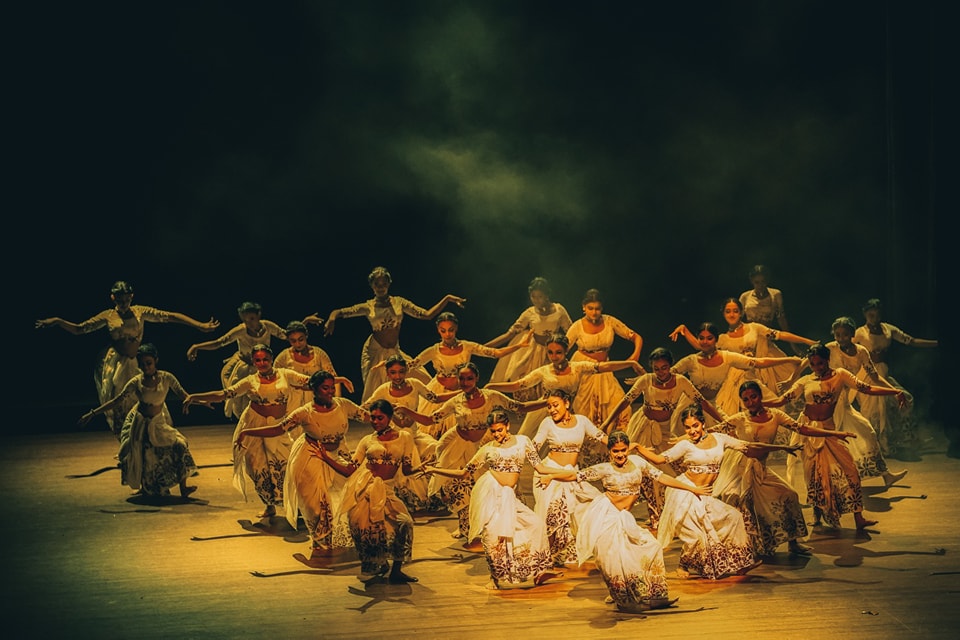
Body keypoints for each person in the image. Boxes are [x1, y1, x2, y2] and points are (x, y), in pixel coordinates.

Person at [545, 431, 709, 612]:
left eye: (623, 450)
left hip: (625, 517)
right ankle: (621, 595)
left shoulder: (638, 463)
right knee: (614, 556)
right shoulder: (605, 468)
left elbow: (661, 477)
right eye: (615, 451)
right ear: (610, 451)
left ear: (628, 449)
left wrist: (691, 488)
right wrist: (551, 476)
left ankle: (654, 593)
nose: (620, 454)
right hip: (607, 515)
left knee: (652, 546)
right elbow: (574, 476)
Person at [632, 405, 798, 579]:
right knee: (697, 534)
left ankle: (742, 563)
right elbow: (659, 459)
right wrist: (637, 447)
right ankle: (683, 566)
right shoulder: (685, 445)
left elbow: (750, 446)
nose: (692, 431)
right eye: (687, 428)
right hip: (686, 492)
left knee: (734, 517)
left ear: (702, 423)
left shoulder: (720, 439)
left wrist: (781, 447)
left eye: (695, 425)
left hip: (704, 494)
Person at [36, 280, 220, 435]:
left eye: (126, 299)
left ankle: (153, 436)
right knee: (120, 404)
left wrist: (199, 325)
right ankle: (128, 442)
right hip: (118, 364)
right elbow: (79, 329)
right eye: (119, 300)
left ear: (131, 297)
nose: (123, 303)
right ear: (113, 298)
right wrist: (58, 321)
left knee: (147, 399)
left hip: (137, 362)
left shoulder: (140, 312)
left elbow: (169, 316)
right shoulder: (108, 316)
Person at [395, 362, 547, 540]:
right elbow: (430, 420)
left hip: (484, 444)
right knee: (460, 488)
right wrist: (407, 411)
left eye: (469, 378)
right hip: (460, 446)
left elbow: (519, 407)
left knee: (495, 485)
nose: (465, 382)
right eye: (462, 378)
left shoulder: (491, 396)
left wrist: (546, 402)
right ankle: (465, 527)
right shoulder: (456, 401)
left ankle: (500, 523)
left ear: (476, 379)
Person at [765, 343, 909, 530]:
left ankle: (859, 517)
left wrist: (895, 391)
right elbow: (780, 401)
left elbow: (867, 388)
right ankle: (817, 514)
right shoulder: (805, 381)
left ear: (827, 360)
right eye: (813, 364)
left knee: (851, 471)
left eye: (820, 363)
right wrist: (759, 403)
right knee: (813, 475)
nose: (817, 368)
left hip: (829, 430)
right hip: (808, 431)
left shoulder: (840, 375)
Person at [709, 381, 857, 557]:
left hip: (760, 468)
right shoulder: (739, 419)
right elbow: (711, 432)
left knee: (789, 495)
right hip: (739, 468)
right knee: (739, 502)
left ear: (760, 396)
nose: (750, 402)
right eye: (746, 399)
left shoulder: (776, 415)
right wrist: (688, 438)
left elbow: (802, 428)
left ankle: (793, 543)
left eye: (753, 397)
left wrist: (834, 433)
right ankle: (741, 549)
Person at [419, 411, 562, 590]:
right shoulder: (487, 450)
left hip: (509, 496)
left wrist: (564, 473)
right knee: (493, 536)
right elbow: (464, 473)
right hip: (491, 494)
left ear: (507, 426)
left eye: (500, 430)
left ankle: (540, 570)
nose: (497, 434)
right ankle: (494, 578)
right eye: (493, 431)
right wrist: (434, 470)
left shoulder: (523, 442)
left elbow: (540, 467)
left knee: (535, 524)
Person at [234, 370, 360, 558]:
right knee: (316, 504)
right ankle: (320, 542)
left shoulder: (343, 405)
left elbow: (368, 415)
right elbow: (278, 429)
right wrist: (247, 432)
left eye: (331, 388)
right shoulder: (304, 413)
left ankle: (351, 535)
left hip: (336, 453)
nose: (330, 392)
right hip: (310, 455)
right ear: (314, 390)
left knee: (354, 492)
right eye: (325, 388)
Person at [597, 347, 725, 529]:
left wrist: (723, 421)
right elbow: (625, 401)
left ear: (670, 366)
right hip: (644, 427)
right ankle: (654, 516)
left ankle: (681, 511)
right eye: (656, 368)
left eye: (664, 368)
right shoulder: (646, 380)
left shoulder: (681, 381)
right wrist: (606, 423)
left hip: (665, 430)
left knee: (673, 470)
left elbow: (702, 402)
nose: (661, 372)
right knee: (645, 472)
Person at [183, 344, 312, 519]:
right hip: (254, 424)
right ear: (253, 361)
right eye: (258, 360)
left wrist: (339, 380)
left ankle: (295, 506)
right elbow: (224, 394)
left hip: (278, 426)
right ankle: (269, 505)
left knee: (286, 465)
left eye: (265, 359)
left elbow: (312, 382)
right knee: (257, 466)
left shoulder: (285, 374)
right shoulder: (250, 381)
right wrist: (195, 396)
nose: (262, 363)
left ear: (271, 359)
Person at [779, 317, 908, 487]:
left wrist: (894, 391)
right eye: (838, 335)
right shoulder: (830, 348)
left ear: (852, 334)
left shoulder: (861, 352)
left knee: (867, 432)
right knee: (830, 442)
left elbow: (874, 377)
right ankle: (831, 480)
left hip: (844, 399)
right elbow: (807, 361)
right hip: (829, 401)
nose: (841, 338)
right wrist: (791, 379)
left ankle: (885, 475)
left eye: (845, 334)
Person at [312, 266, 466, 402]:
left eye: (384, 284)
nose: (381, 287)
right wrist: (332, 319)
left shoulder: (399, 303)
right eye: (377, 284)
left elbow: (426, 315)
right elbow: (340, 311)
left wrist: (447, 299)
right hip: (375, 350)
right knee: (377, 392)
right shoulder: (368, 306)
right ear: (372, 286)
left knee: (422, 379)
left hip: (394, 350)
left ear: (389, 284)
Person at [316, 400, 420, 584]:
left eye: (380, 418)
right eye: (373, 418)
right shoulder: (367, 441)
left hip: (387, 489)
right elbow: (349, 470)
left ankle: (396, 570)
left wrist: (423, 469)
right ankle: (379, 564)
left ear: (389, 417)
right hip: (366, 489)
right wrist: (326, 458)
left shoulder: (405, 437)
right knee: (367, 529)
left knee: (405, 523)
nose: (375, 421)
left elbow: (406, 469)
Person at [79, 343, 198, 498]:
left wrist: (203, 401)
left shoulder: (166, 378)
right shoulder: (136, 381)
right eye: (142, 364)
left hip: (158, 423)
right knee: (144, 456)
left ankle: (184, 487)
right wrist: (92, 413)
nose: (146, 367)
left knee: (180, 445)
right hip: (141, 424)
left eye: (149, 363)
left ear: (156, 361)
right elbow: (116, 401)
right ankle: (146, 486)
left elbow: (185, 395)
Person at [484, 332, 642, 440]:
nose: (554, 356)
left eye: (558, 352)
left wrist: (630, 363)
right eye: (550, 352)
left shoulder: (577, 367)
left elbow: (604, 367)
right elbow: (518, 385)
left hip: (567, 412)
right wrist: (493, 386)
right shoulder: (544, 371)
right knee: (527, 442)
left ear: (566, 351)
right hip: (543, 411)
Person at [403, 311, 532, 438]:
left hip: (462, 390)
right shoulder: (433, 350)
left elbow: (495, 353)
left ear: (456, 328)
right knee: (433, 431)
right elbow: (411, 365)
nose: (447, 334)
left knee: (463, 430)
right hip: (439, 390)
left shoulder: (466, 346)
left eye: (451, 330)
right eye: (443, 331)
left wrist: (519, 345)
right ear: (438, 330)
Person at [362, 355, 459, 512]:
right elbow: (365, 408)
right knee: (403, 454)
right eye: (393, 372)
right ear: (387, 373)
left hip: (414, 434)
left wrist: (460, 392)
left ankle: (436, 492)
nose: (397, 376)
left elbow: (435, 398)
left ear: (406, 370)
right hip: (393, 437)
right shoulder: (383, 390)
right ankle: (407, 497)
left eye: (401, 371)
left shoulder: (414, 384)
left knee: (436, 448)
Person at [668, 321, 802, 430]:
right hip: (689, 408)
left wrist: (789, 359)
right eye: (701, 338)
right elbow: (667, 375)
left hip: (712, 408)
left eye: (709, 338)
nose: (705, 342)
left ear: (716, 340)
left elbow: (757, 362)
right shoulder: (690, 361)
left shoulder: (727, 357)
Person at [853, 298, 938, 459]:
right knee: (874, 411)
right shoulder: (860, 333)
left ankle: (898, 441)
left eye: (877, 315)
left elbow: (911, 341)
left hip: (883, 373)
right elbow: (845, 347)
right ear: (865, 314)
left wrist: (937, 343)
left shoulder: (888, 329)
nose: (874, 319)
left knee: (905, 399)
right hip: (868, 374)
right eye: (871, 315)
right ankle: (874, 447)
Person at [530, 389, 605, 566]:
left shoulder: (582, 421)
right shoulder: (548, 423)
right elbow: (532, 449)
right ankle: (545, 559)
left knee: (591, 507)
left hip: (571, 475)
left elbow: (602, 437)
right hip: (550, 473)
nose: (552, 410)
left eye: (555, 405)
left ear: (566, 403)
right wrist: (540, 468)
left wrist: (625, 447)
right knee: (553, 513)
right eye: (549, 407)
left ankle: (565, 553)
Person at [187, 302, 286, 420]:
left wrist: (303, 324)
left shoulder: (268, 326)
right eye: (245, 320)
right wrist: (197, 346)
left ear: (258, 315)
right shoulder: (241, 330)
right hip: (244, 367)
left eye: (252, 318)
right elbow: (219, 342)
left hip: (262, 368)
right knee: (239, 402)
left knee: (266, 397)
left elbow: (288, 335)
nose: (249, 323)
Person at [484, 277, 573, 401]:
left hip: (552, 351)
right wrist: (482, 348)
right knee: (527, 383)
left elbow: (571, 331)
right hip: (533, 352)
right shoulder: (530, 313)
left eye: (540, 296)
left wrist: (563, 349)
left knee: (551, 385)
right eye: (533, 296)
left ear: (547, 295)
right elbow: (509, 334)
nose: (536, 300)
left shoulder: (559, 310)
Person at [565, 288, 642, 432]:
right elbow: (562, 348)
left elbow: (636, 337)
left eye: (597, 308)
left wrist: (634, 357)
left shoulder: (609, 321)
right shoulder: (577, 326)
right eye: (590, 308)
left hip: (605, 369)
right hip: (585, 370)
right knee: (586, 410)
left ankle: (614, 440)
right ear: (583, 307)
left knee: (621, 406)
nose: (594, 312)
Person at [274, 320, 341, 410]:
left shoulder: (319, 354)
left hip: (316, 403)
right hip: (292, 404)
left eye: (301, 339)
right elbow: (273, 381)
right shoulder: (283, 357)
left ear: (306, 336)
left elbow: (333, 378)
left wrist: (337, 402)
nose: (297, 344)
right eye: (293, 341)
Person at [738, 264, 804, 356]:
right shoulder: (745, 296)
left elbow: (781, 319)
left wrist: (792, 344)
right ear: (752, 281)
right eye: (757, 282)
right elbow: (737, 320)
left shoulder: (775, 295)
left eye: (763, 282)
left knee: (784, 362)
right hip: (749, 337)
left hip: (766, 336)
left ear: (767, 280)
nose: (760, 285)